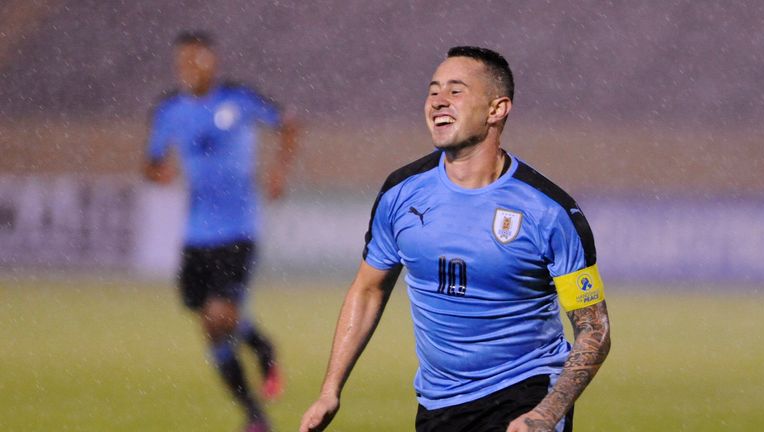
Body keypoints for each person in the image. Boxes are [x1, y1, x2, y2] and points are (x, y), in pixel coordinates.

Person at [300, 46, 610, 432]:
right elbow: (368, 290)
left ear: (497, 109)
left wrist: (546, 413)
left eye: (456, 91)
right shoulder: (401, 193)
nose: (438, 101)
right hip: (438, 405)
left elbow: (594, 331)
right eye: (433, 91)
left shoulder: (549, 211)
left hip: (525, 396)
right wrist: (331, 389)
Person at [144, 31, 297, 432]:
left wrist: (278, 172)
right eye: (182, 63)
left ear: (212, 62)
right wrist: (159, 173)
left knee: (217, 316)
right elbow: (152, 160)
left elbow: (288, 124)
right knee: (212, 323)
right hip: (195, 236)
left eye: (196, 61)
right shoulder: (170, 110)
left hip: (237, 230)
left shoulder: (239, 99)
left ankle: (255, 417)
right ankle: (258, 362)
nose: (188, 70)